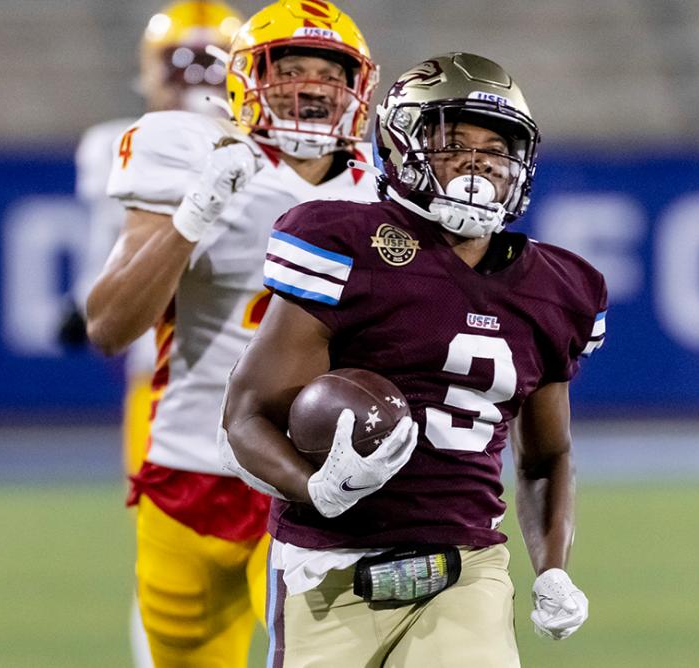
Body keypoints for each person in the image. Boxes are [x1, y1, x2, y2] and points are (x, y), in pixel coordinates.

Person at [220, 52, 606, 667]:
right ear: (401, 146)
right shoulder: (344, 244)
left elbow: (546, 456)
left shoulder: (558, 288)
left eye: (497, 148)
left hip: (467, 570)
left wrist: (553, 568)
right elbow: (245, 417)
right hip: (329, 568)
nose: (479, 161)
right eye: (454, 142)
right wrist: (314, 489)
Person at [84, 1, 380, 665]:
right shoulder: (190, 152)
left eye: (328, 73)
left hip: (312, 478)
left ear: (359, 87)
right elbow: (109, 325)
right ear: (247, 79)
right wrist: (193, 215)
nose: (309, 88)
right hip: (191, 471)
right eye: (289, 69)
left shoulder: (388, 189)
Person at [62, 3, 244, 665]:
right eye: (180, 66)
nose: (194, 83)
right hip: (169, 381)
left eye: (209, 66)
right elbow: (107, 265)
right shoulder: (124, 143)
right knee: (171, 556)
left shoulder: (279, 152)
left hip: (269, 379)